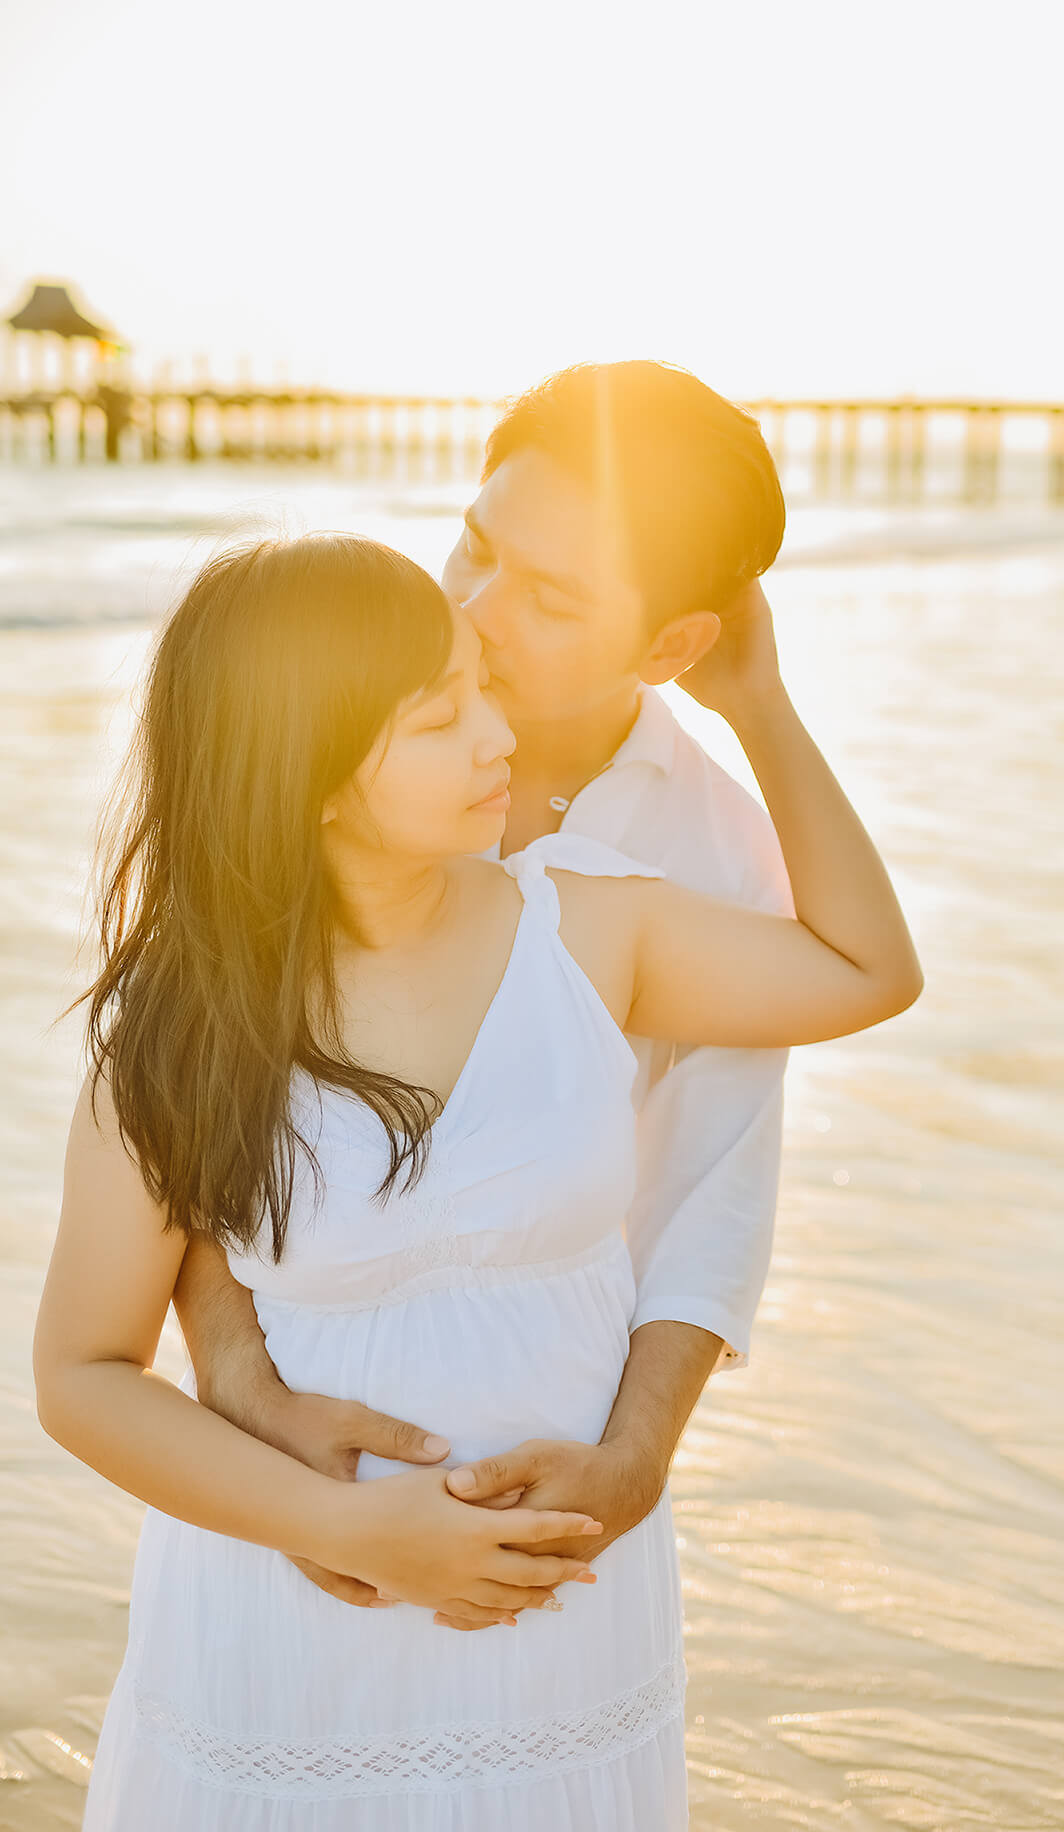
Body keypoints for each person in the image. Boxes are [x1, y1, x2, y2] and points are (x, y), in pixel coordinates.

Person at [34, 532, 922, 1828]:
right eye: (438, 718)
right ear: (314, 775)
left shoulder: (590, 925)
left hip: (559, 1624)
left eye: (481, 692)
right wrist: (340, 1529)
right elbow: (82, 1375)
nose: (495, 735)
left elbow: (866, 973)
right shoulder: (185, 1029)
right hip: (292, 1628)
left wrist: (759, 706)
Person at [170, 363, 800, 1630]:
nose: (475, 608)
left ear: (673, 645)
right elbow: (185, 1103)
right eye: (473, 545)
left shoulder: (716, 859)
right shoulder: (326, 741)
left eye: (552, 597)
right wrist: (244, 1382)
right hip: (296, 1469)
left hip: (552, 1498)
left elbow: (710, 1196)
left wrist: (628, 1465)